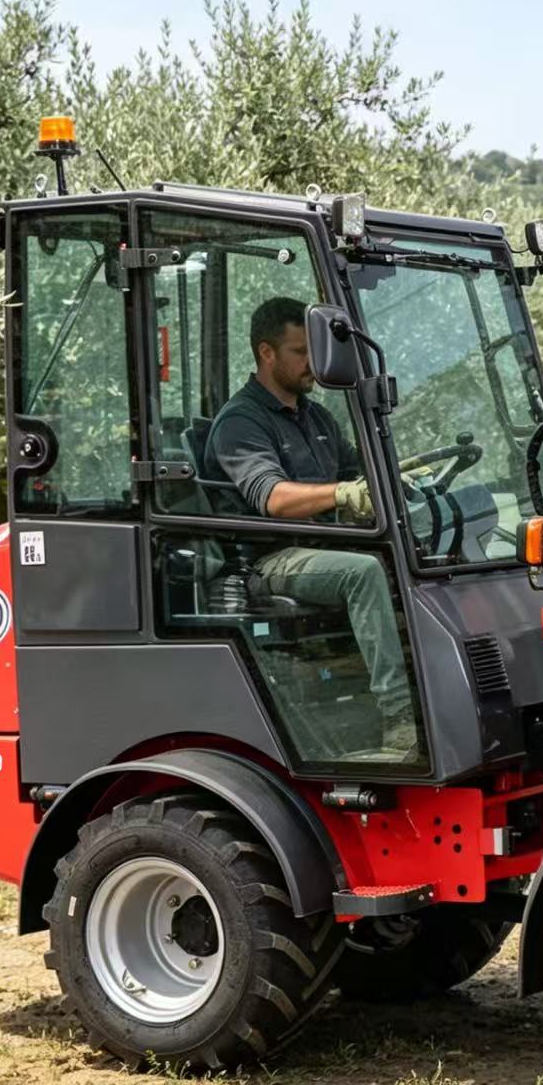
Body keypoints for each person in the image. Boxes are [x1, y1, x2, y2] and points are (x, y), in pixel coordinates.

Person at [207, 296, 417, 759]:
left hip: (327, 545)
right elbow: (274, 498)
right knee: (363, 573)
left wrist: (399, 479)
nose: (313, 364)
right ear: (267, 353)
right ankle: (401, 717)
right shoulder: (240, 422)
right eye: (300, 352)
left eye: (314, 352)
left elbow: (360, 473)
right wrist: (343, 494)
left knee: (420, 551)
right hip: (271, 558)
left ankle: (434, 694)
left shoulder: (315, 417)